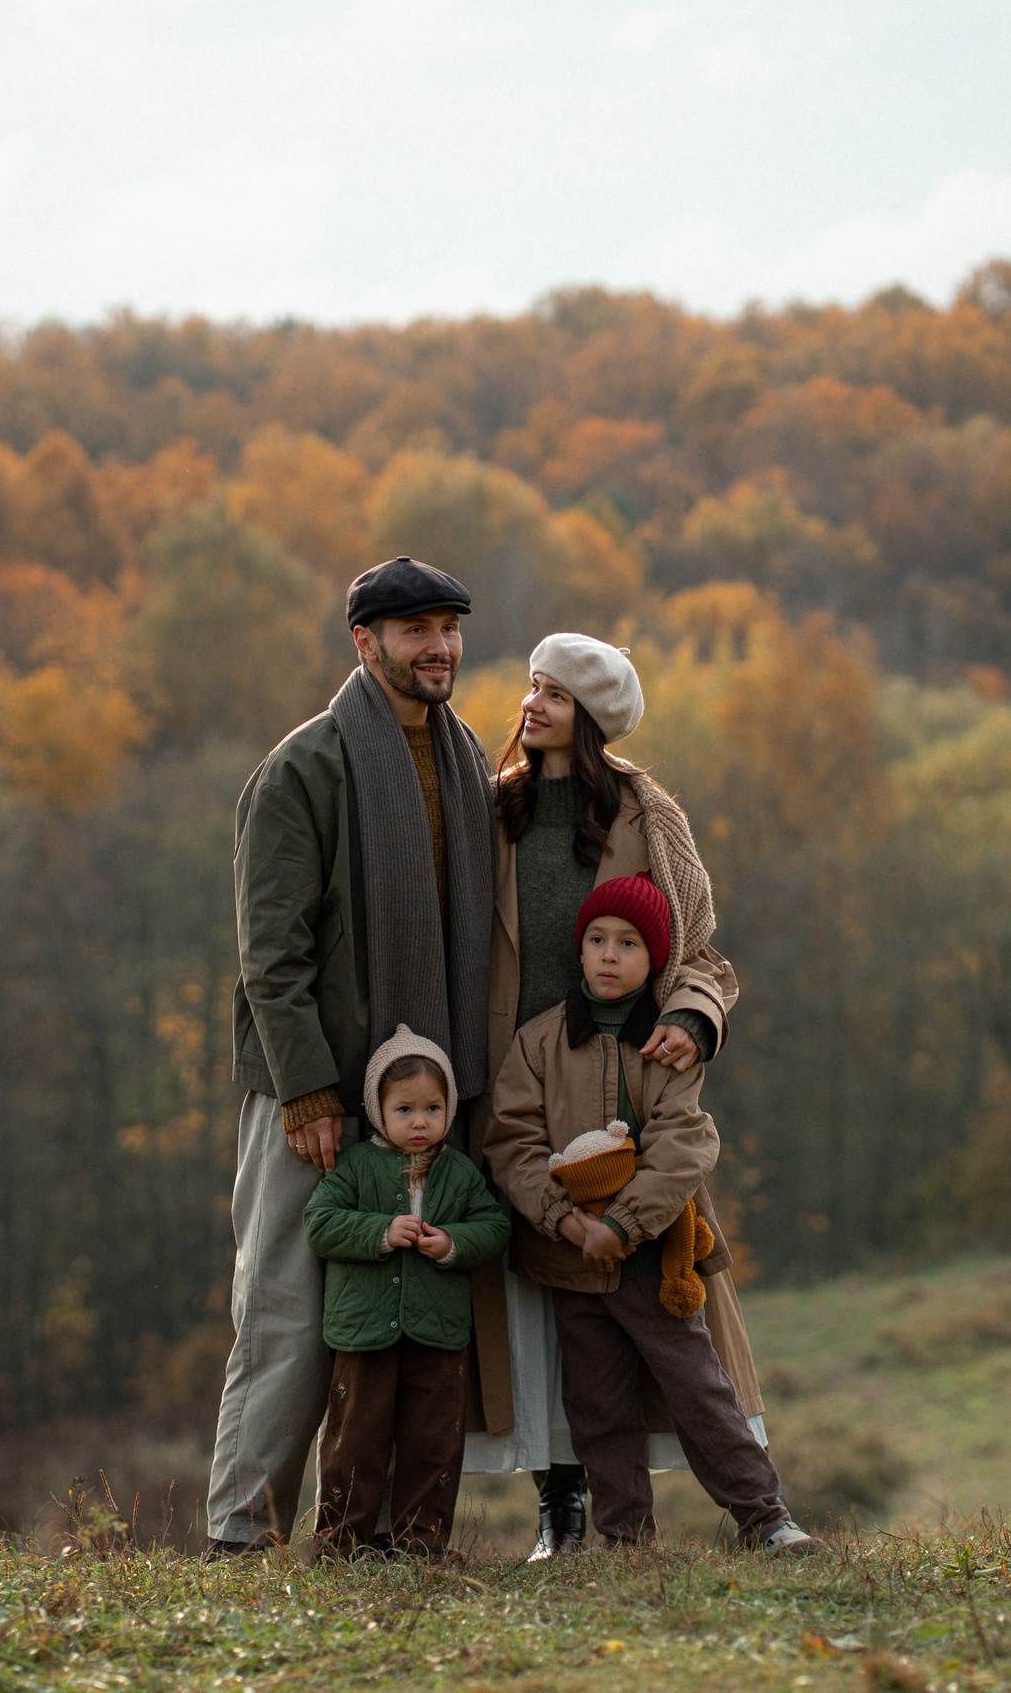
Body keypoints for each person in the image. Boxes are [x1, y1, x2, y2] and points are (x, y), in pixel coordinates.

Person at [207, 557, 497, 1556]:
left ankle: (366, 1532)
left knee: (400, 1317)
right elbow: (268, 958)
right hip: (314, 1093)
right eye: (414, 630)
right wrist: (309, 1090)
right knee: (287, 1316)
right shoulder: (303, 770)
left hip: (425, 1102)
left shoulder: (463, 766)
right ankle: (241, 1536)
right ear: (363, 643)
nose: (438, 647)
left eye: (448, 628)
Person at [463, 632, 758, 1558]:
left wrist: (695, 1021)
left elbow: (701, 949)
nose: (532, 702)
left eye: (553, 690)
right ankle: (562, 1509)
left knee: (653, 1300)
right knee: (540, 1304)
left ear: (590, 715)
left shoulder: (648, 812)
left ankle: (752, 1505)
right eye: (532, 684)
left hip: (626, 1080)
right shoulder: (494, 809)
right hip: (518, 1077)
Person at [486, 874, 816, 1551]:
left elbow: (684, 1141)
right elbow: (512, 1141)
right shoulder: (540, 1042)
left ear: (654, 958)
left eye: (629, 943)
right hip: (570, 1261)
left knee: (699, 1389)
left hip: (652, 1258)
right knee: (597, 1404)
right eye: (597, 940)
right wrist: (568, 1221)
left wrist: (622, 1223)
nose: (609, 954)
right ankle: (625, 1539)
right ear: (578, 951)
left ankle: (765, 1516)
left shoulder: (665, 1044)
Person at [303, 1025, 510, 1556]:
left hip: (438, 1334)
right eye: (404, 1110)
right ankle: (340, 1543)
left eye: (433, 1109)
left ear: (449, 1109)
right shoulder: (351, 1167)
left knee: (434, 1442)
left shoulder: (460, 1173)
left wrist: (453, 1243)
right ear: (378, 1111)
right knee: (355, 1439)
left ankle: (421, 1544)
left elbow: (495, 1229)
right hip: (364, 1333)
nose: (420, 1122)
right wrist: (380, 1231)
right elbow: (320, 1224)